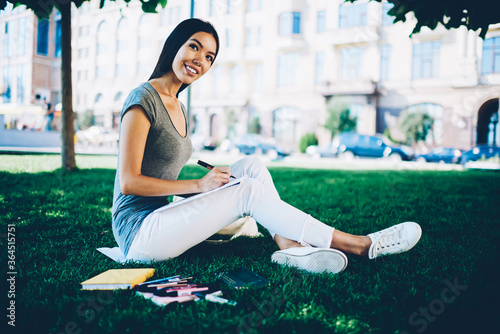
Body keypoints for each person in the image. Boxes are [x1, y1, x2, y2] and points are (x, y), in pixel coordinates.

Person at [111, 18, 422, 274]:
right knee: (247, 190)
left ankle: (289, 247)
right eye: (194, 46)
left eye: (209, 57)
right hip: (138, 235)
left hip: (163, 217)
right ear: (174, 45)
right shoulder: (143, 99)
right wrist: (199, 185)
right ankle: (359, 245)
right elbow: (129, 182)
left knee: (250, 167)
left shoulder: (176, 104)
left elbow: (165, 179)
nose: (200, 61)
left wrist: (205, 187)